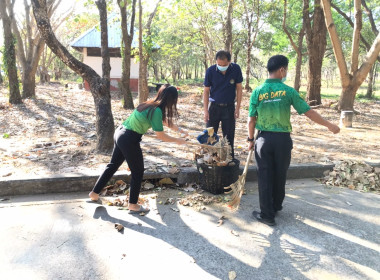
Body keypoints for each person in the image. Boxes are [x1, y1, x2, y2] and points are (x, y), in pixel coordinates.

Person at [247, 55, 340, 226]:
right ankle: (276, 206)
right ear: (282, 70)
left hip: (263, 139)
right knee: (280, 174)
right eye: (286, 69)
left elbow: (251, 119)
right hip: (282, 140)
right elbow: (308, 112)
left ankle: (267, 214)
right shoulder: (288, 91)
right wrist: (329, 125)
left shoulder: (257, 91)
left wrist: (250, 139)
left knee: (265, 176)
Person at [89, 84, 188, 214]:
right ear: (171, 100)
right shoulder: (156, 111)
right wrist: (177, 141)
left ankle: (94, 193)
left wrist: (180, 131)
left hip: (120, 132)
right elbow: (161, 135)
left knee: (112, 165)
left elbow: (164, 121)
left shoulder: (149, 105)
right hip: (129, 138)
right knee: (138, 171)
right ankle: (133, 205)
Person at [203, 50, 243, 157]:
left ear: (229, 62)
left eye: (224, 65)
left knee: (229, 137)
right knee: (210, 135)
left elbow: (239, 88)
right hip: (214, 108)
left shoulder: (236, 69)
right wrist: (205, 111)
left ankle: (229, 158)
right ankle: (210, 158)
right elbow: (206, 91)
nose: (221, 67)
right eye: (219, 64)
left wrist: (238, 108)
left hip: (229, 108)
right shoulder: (210, 71)